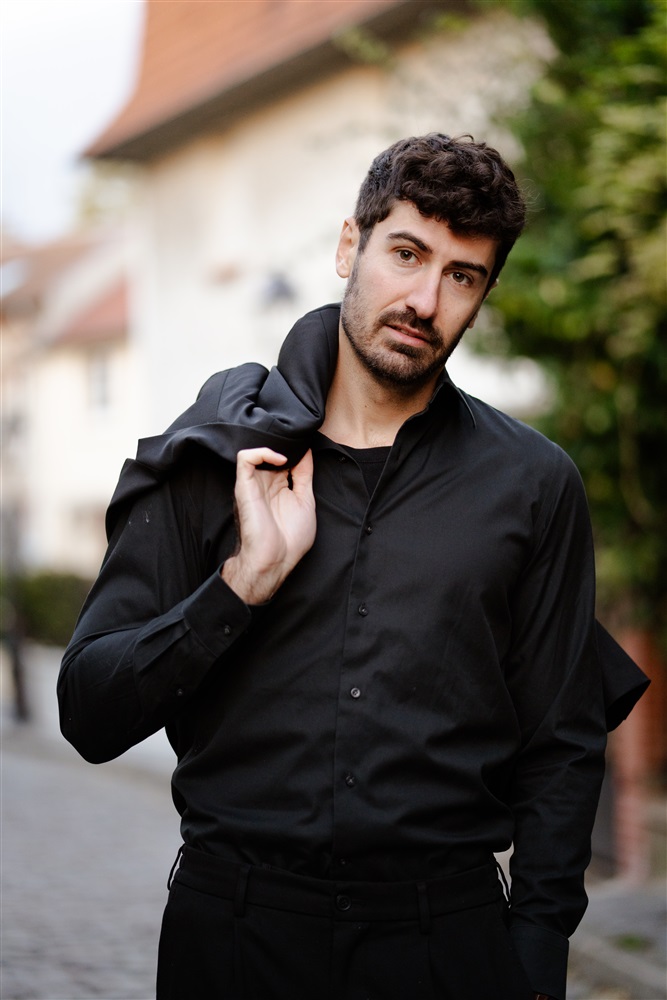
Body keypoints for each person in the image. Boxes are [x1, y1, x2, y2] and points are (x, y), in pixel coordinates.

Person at [58, 134, 645, 1000]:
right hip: (234, 938)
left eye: (461, 275)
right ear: (349, 246)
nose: (423, 300)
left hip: (446, 945)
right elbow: (88, 712)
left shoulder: (532, 483)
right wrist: (238, 589)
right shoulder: (215, 452)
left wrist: (534, 954)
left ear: (481, 298)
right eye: (406, 253)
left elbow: (561, 743)